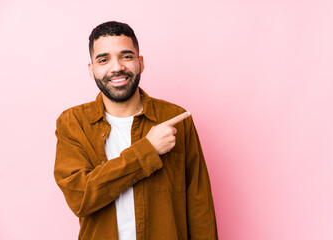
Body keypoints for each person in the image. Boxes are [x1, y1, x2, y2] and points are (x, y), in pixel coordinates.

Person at [54, 21, 218, 240]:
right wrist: (147, 150)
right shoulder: (73, 123)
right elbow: (81, 198)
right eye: (104, 60)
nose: (116, 67)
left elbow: (200, 207)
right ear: (92, 69)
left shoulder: (175, 119)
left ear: (140, 63)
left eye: (126, 56)